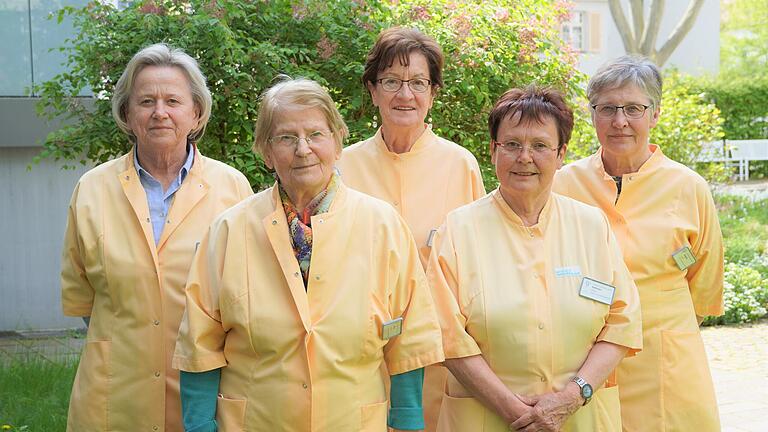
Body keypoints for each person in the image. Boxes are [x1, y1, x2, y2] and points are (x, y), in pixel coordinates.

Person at [173, 77, 444, 432]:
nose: (303, 149)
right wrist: (199, 428)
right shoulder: (229, 230)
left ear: (337, 143)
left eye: (316, 134)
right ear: (267, 152)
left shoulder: (383, 226)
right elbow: (200, 343)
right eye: (286, 137)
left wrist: (408, 424)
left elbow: (409, 341)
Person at [60, 43, 253, 431]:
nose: (159, 112)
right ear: (127, 113)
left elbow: (250, 296)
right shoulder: (92, 188)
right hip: (114, 398)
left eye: (173, 100)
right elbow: (84, 301)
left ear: (196, 113)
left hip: (204, 398)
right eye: (146, 101)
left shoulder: (231, 188)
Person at [428, 86, 642, 431]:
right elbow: (446, 336)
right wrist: (516, 411)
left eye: (540, 145)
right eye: (511, 144)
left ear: (561, 155)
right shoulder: (458, 230)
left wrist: (574, 395)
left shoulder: (591, 226)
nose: (524, 157)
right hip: (485, 417)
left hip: (580, 416)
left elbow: (623, 320)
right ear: (493, 151)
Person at [552, 55, 724, 431]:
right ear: (592, 114)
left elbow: (705, 281)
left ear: (655, 114)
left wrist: (660, 321)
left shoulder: (687, 186)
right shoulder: (564, 183)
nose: (620, 121)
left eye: (633, 108)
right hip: (583, 366)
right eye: (607, 108)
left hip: (666, 365)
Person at [337, 26, 485, 431]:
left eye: (418, 82)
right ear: (373, 90)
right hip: (360, 356)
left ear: (433, 92)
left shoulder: (460, 165)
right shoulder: (341, 167)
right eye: (391, 82)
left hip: (441, 355)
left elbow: (478, 267)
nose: (405, 95)